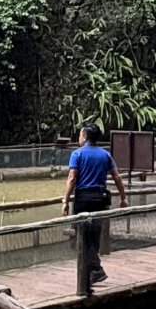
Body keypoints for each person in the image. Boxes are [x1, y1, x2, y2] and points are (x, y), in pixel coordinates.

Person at [62, 121, 126, 285]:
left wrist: (65, 200)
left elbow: (72, 178)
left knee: (81, 236)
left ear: (84, 136)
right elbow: (117, 177)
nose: (79, 137)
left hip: (83, 199)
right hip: (100, 199)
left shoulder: (77, 154)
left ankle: (96, 270)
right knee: (94, 235)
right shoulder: (105, 154)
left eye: (80, 134)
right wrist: (123, 197)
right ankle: (90, 272)